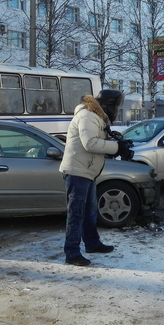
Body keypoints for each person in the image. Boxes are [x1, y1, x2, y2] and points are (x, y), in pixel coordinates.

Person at [59, 89, 133, 266]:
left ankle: (92, 243)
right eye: (115, 105)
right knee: (76, 213)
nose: (116, 110)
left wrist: (119, 145)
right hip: (77, 171)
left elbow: (99, 143)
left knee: (89, 211)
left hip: (87, 170)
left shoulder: (96, 117)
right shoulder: (87, 115)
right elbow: (90, 143)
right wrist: (117, 148)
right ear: (107, 104)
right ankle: (72, 252)